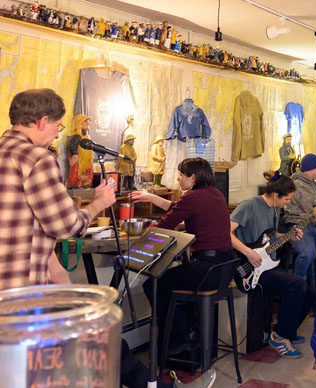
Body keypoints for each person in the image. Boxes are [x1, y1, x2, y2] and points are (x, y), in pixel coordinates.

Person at [0, 89, 211, 388]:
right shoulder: (37, 158)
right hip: (24, 298)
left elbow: (27, 232)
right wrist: (99, 203)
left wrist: (67, 289)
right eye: (57, 126)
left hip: (13, 295)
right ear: (43, 121)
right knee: (99, 338)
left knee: (94, 335)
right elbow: (67, 227)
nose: (57, 135)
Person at [131, 157, 232, 362]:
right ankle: (186, 333)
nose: (178, 179)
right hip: (223, 268)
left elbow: (164, 225)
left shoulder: (193, 197)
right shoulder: (215, 194)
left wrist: (145, 230)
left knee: (153, 285)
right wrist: (150, 197)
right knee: (171, 281)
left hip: (206, 270)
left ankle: (177, 338)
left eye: (181, 175)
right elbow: (179, 208)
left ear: (193, 177)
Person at [229, 172, 314, 358]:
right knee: (297, 285)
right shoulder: (249, 205)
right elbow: (226, 232)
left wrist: (288, 236)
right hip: (250, 268)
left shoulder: (274, 208)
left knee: (311, 293)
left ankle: (288, 330)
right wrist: (248, 252)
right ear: (276, 195)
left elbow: (269, 236)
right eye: (287, 199)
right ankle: (279, 336)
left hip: (268, 263)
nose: (288, 203)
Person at [65, 114, 93, 188]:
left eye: (88, 121)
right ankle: (75, 185)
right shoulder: (77, 135)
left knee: (86, 174)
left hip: (86, 161)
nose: (88, 123)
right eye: (85, 121)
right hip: (79, 161)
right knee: (76, 173)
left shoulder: (87, 136)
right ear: (79, 123)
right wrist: (75, 155)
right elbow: (73, 145)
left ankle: (85, 184)